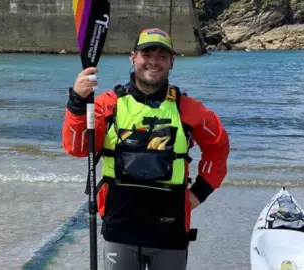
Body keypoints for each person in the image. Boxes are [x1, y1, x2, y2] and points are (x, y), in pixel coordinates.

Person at [62, 28, 230, 270]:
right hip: (120, 226)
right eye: (147, 54)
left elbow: (219, 149)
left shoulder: (191, 110)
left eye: (162, 56)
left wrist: (198, 193)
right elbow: (77, 148)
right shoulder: (107, 105)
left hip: (170, 229)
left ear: (172, 62)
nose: (154, 61)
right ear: (133, 58)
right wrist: (77, 102)